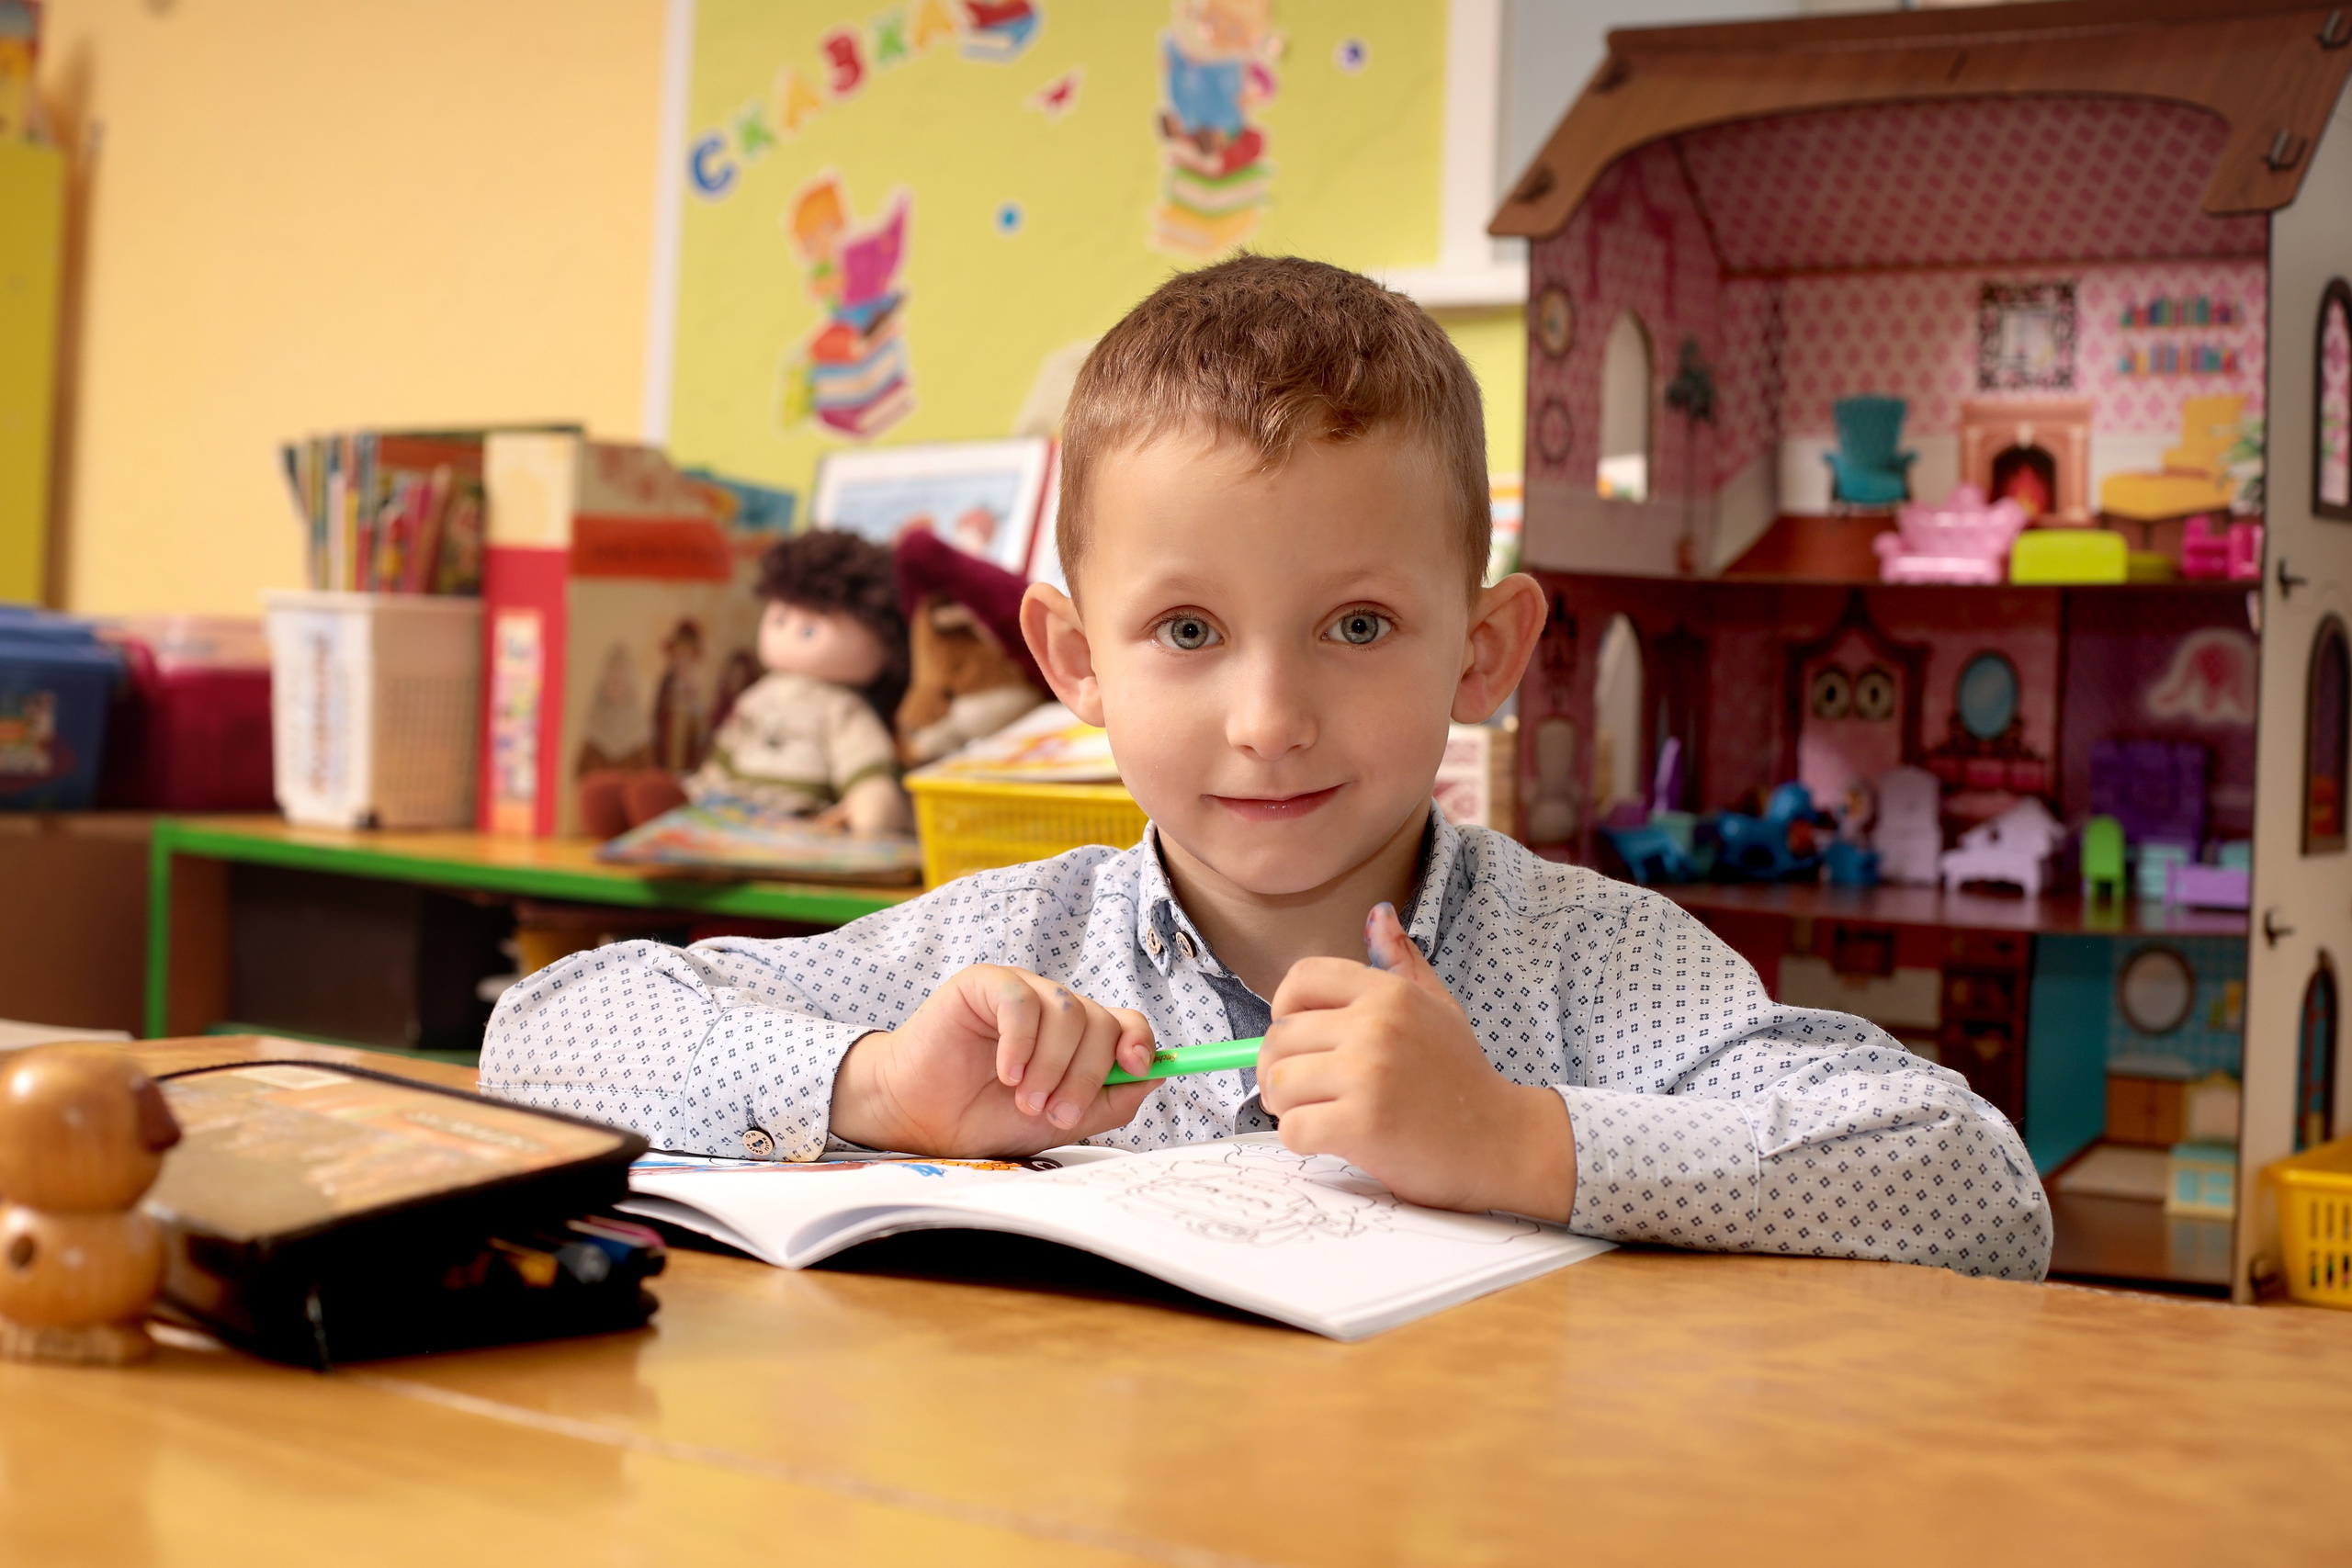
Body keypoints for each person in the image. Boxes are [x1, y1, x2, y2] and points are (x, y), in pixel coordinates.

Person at [483, 256, 2051, 1280]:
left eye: (1357, 625)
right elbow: (543, 1039)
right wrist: (884, 1087)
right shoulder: (1012, 952)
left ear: (1485, 652)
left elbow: (1981, 1194)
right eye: (1187, 630)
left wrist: (1512, 1139)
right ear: (1076, 660)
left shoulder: (1591, 965)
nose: (1269, 718)